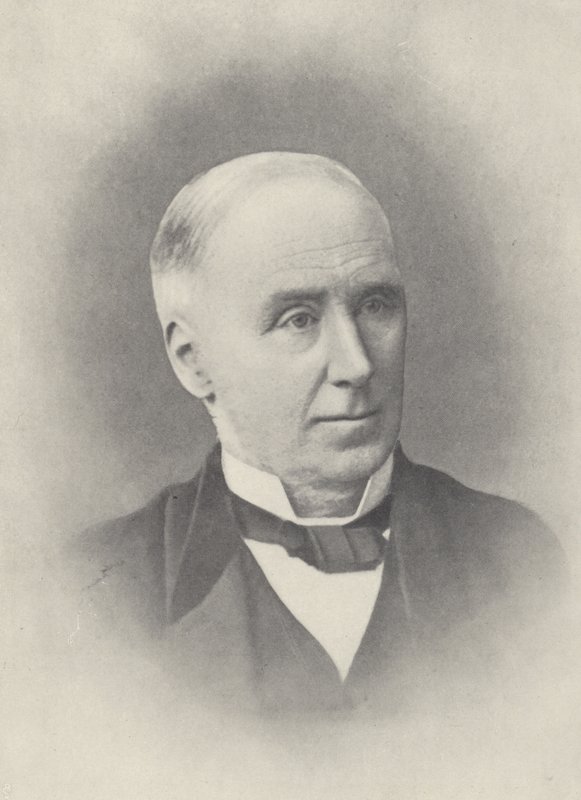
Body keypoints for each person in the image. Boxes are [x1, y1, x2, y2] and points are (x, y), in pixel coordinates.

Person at [67, 152, 567, 718]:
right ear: (193, 360)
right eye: (298, 319)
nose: (357, 364)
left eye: (375, 305)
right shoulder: (95, 590)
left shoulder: (517, 555)